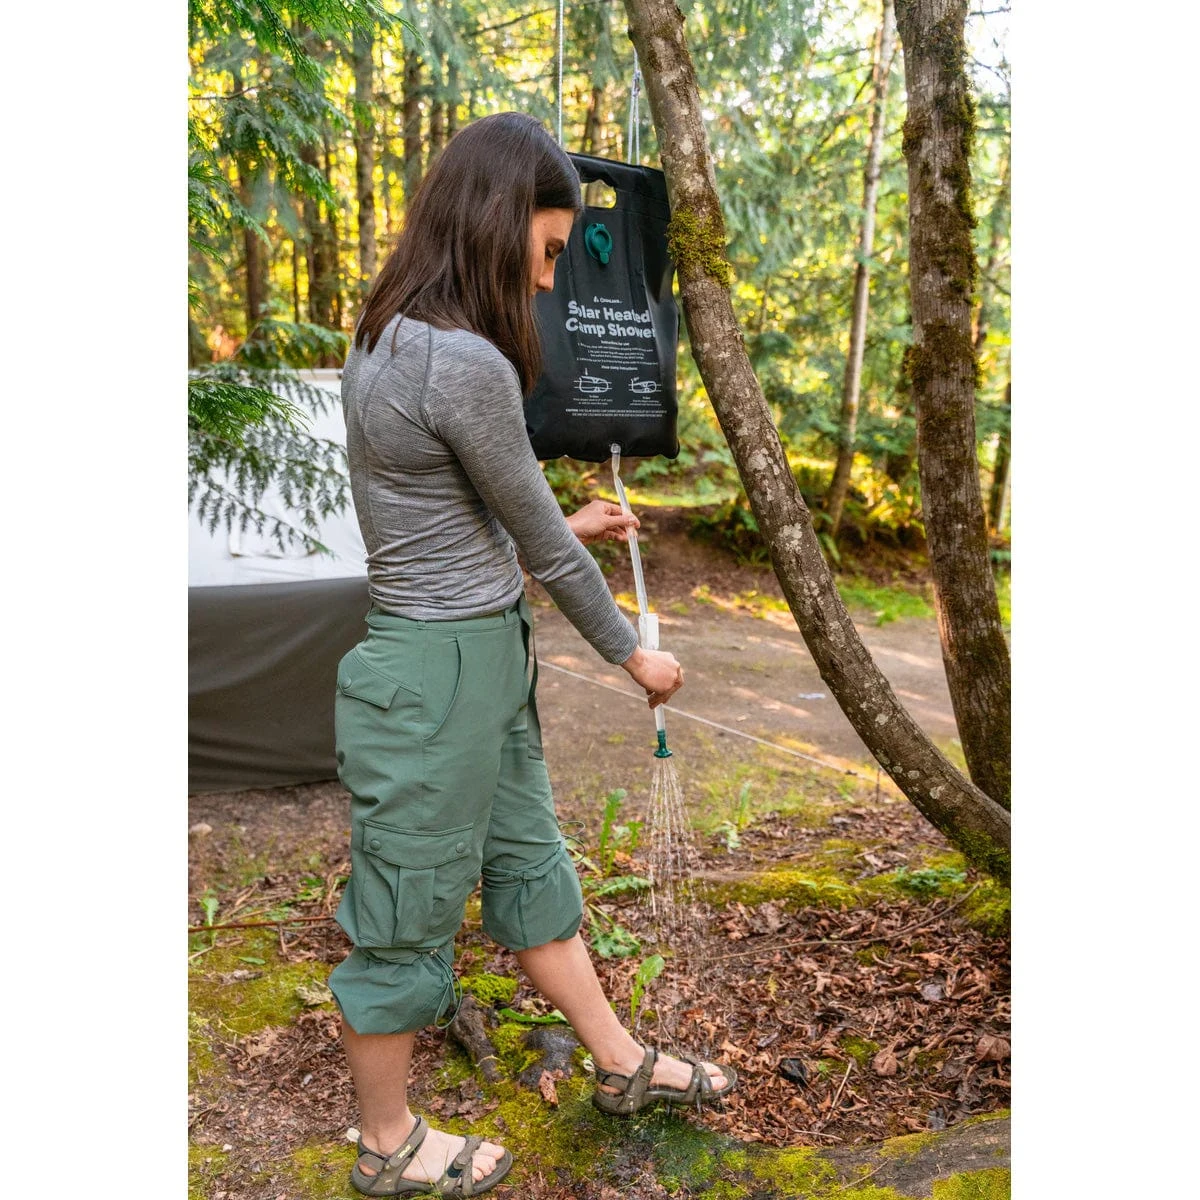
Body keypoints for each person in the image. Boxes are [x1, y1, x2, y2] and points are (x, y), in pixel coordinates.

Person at [329, 111, 736, 1198]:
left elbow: (444, 513)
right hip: (436, 675)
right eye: (550, 252)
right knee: (405, 912)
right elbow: (540, 545)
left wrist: (568, 531)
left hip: (470, 657)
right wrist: (630, 653)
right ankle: (387, 1146)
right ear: (500, 223)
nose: (553, 279)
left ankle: (620, 1062)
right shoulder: (461, 359)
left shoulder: (390, 334)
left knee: (529, 869)